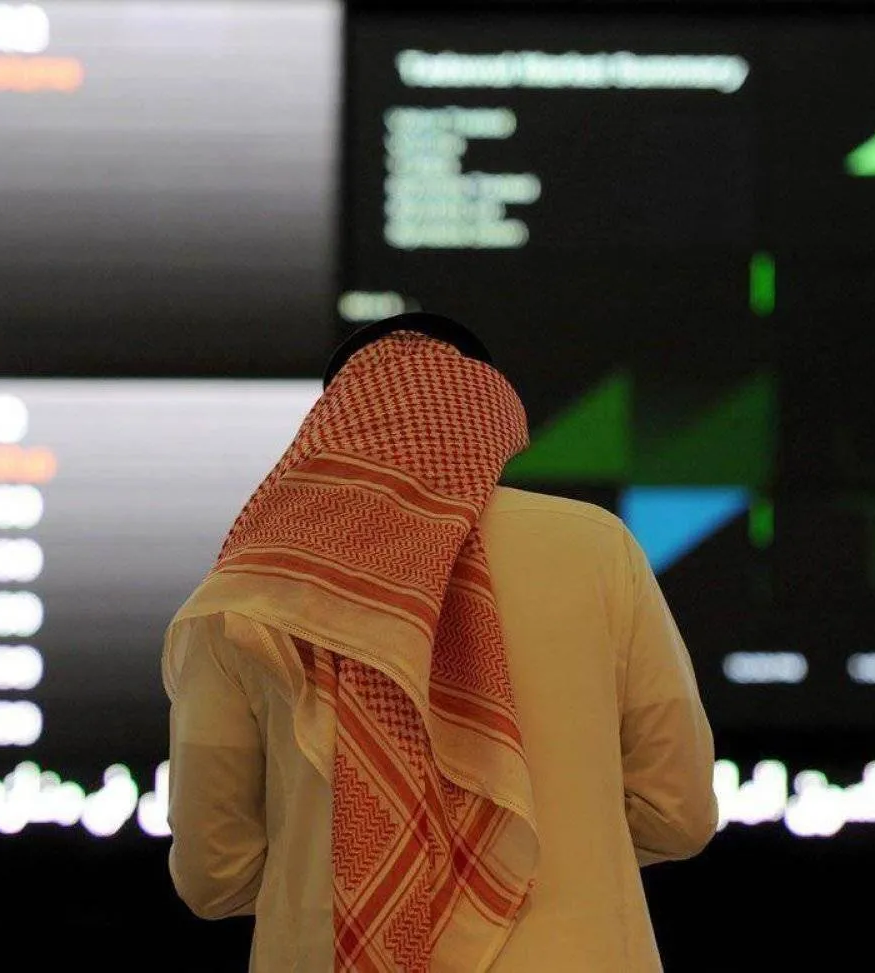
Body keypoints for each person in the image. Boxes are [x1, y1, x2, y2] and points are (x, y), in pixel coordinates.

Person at [162, 313, 718, 972]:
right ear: (486, 418)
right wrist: (551, 853)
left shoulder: (243, 593)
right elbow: (679, 812)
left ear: (334, 426)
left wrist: (345, 880)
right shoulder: (598, 549)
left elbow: (213, 872)